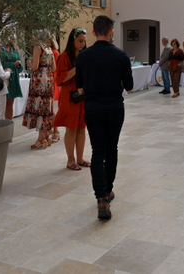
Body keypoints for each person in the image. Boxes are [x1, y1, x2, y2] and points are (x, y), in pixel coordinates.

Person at [75, 15, 133, 220]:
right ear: (111, 32)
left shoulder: (83, 57)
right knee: (111, 149)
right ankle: (107, 191)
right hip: (114, 108)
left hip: (93, 109)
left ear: (93, 32)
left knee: (98, 152)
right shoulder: (121, 55)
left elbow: (79, 87)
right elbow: (130, 87)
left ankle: (101, 197)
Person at [53, 28, 90, 171]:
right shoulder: (64, 57)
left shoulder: (85, 55)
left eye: (84, 41)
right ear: (72, 40)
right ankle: (70, 160)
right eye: (80, 41)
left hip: (83, 95)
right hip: (69, 96)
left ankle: (80, 158)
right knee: (71, 129)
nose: (82, 44)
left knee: (81, 128)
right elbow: (60, 79)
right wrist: (77, 67)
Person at [23, 31, 56, 150]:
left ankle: (41, 139)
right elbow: (54, 68)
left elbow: (35, 66)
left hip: (39, 80)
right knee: (46, 108)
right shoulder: (49, 49)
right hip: (49, 79)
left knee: (40, 107)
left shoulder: (38, 48)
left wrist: (29, 63)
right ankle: (46, 136)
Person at [0, 35, 23, 121]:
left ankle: (9, 123)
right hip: (3, 76)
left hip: (14, 76)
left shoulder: (14, 49)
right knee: (3, 102)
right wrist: (10, 65)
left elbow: (20, 67)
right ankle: (2, 123)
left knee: (10, 102)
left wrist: (18, 63)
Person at [48, 36, 61, 140]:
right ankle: (52, 128)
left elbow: (58, 69)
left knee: (50, 108)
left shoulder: (55, 52)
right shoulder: (46, 51)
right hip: (48, 80)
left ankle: (56, 130)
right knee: (49, 108)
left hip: (52, 80)